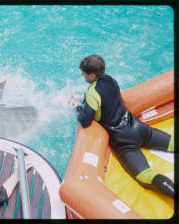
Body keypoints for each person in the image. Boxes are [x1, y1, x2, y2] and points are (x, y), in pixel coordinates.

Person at [68, 54, 174, 197]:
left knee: (145, 176)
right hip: (140, 128)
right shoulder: (111, 80)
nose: (82, 74)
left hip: (125, 142)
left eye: (84, 73)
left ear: (92, 76)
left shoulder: (93, 93)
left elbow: (86, 121)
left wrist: (77, 107)